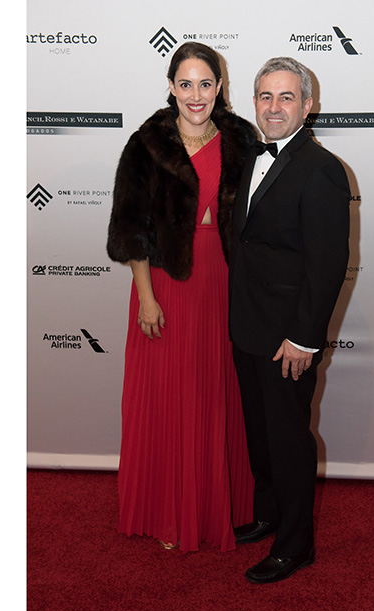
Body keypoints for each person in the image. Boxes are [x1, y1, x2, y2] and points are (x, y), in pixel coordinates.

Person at [107, 42, 256, 553]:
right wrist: (146, 298)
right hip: (166, 285)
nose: (196, 95)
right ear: (171, 86)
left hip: (224, 284)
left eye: (205, 83)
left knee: (216, 395)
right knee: (169, 398)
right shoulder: (147, 144)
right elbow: (131, 232)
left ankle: (221, 508)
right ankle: (170, 511)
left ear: (220, 86)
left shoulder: (241, 140)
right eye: (186, 84)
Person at [229, 57, 351, 583]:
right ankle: (269, 514)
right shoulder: (250, 158)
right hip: (248, 327)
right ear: (254, 102)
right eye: (265, 96)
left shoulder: (321, 169)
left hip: (288, 338)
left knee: (288, 440)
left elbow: (327, 264)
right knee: (260, 434)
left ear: (307, 105)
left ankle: (296, 544)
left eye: (286, 97)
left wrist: (304, 338)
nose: (274, 107)